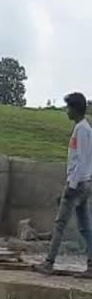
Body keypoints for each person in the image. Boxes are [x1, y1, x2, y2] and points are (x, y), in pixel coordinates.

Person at [36, 92, 92, 275]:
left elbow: (82, 160)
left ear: (76, 109)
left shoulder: (82, 130)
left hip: (78, 183)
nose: (66, 111)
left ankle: (49, 263)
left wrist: (71, 185)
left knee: (60, 224)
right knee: (84, 226)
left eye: (68, 107)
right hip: (84, 182)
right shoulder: (82, 128)